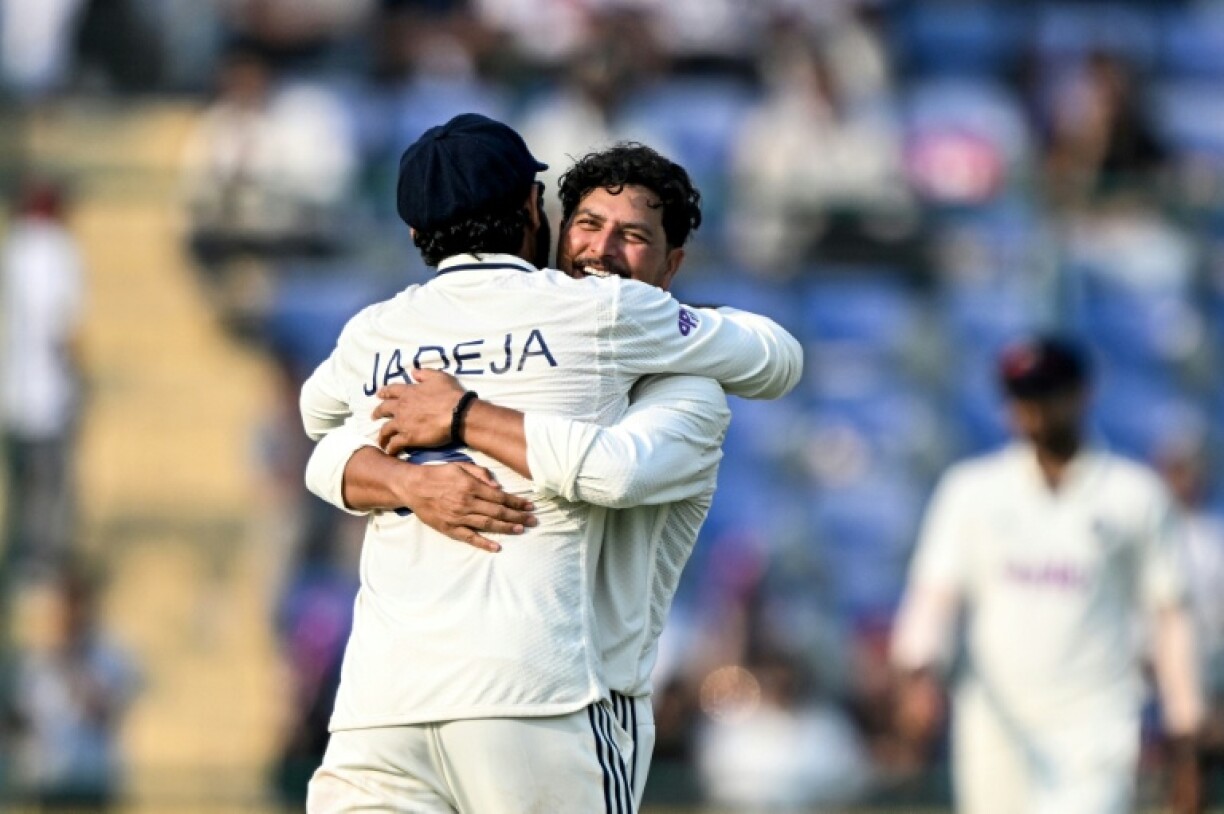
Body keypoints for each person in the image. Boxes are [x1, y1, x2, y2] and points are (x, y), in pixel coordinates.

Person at [298, 116, 803, 812]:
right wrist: (413, 480)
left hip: (380, 708)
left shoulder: (376, 332)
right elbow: (776, 357)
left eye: (631, 235)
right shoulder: (601, 310)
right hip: (538, 694)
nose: (602, 251)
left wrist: (436, 442)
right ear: (534, 210)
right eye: (588, 224)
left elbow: (318, 426)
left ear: (415, 233)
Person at [890, 334, 1204, 814]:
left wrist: (1186, 728)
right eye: (1020, 396)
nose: (1032, 408)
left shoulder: (1133, 496)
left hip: (1095, 722)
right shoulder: (971, 492)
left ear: (1082, 394)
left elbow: (1171, 618)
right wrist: (919, 672)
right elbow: (934, 593)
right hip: (995, 724)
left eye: (1045, 392)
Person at [1, 178, 87, 575]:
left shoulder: (12, 249)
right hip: (47, 393)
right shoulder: (57, 252)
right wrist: (79, 377)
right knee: (50, 489)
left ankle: (20, 558)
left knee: (19, 489)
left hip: (11, 394)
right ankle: (46, 565)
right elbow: (62, 328)